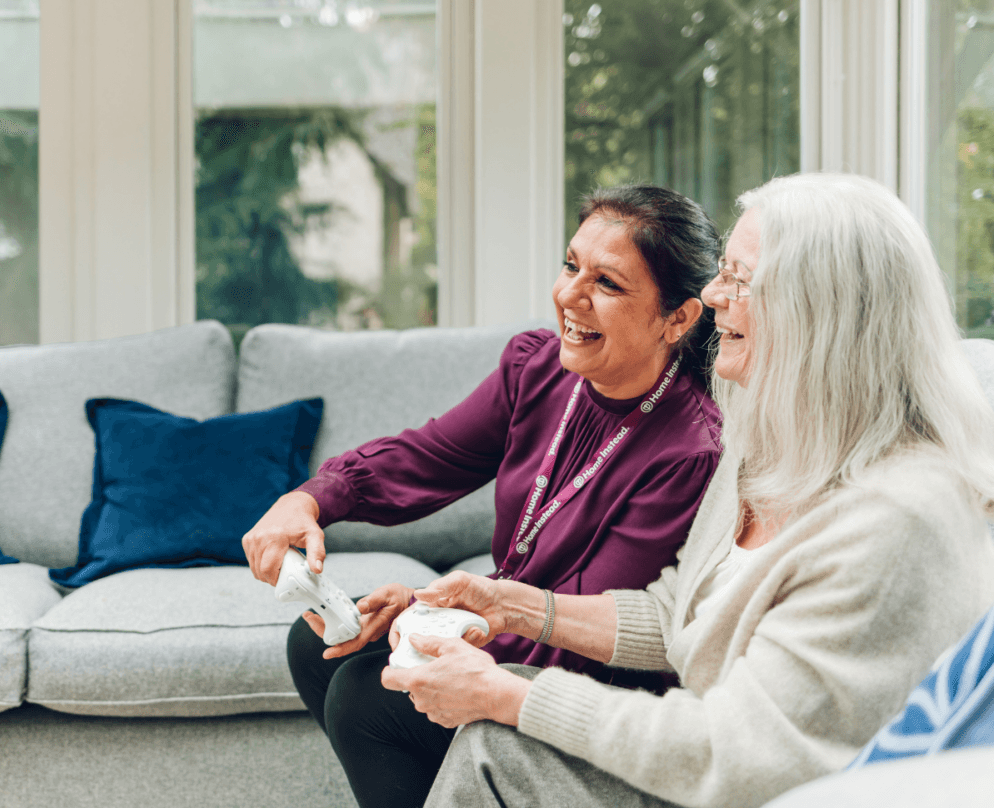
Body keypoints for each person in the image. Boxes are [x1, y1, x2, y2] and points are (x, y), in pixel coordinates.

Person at [381, 173, 994, 808]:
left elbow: (745, 754)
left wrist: (511, 697)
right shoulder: (768, 446)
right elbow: (682, 614)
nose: (711, 295)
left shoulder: (897, 520)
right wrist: (510, 606)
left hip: (777, 789)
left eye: (740, 280)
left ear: (821, 311)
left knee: (496, 737)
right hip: (725, 762)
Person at [242, 184, 724, 808]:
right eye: (571, 265)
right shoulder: (539, 368)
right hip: (506, 621)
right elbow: (430, 456)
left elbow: (582, 626)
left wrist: (421, 617)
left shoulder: (689, 452)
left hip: (590, 684)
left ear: (679, 318)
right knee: (321, 643)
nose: (569, 295)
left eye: (607, 284)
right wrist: (309, 500)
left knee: (367, 693)